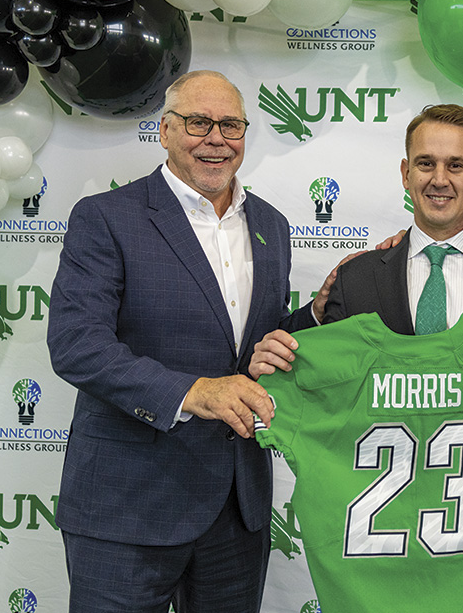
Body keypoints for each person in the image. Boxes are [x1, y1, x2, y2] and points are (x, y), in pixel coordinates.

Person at [251, 104, 463, 613]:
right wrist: (293, 335)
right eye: (425, 163)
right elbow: (312, 379)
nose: (440, 179)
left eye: (456, 165)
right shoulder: (356, 278)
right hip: (372, 563)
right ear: (405, 174)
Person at [47, 70, 326, 613]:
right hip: (127, 508)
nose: (216, 138)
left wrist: (314, 314)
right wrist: (193, 391)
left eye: (231, 125)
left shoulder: (273, 224)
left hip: (236, 509)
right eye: (198, 122)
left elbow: (255, 351)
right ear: (166, 131)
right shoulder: (106, 218)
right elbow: (77, 343)